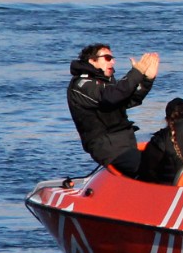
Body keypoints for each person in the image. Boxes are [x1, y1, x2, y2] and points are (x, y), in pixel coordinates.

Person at [67, 43, 160, 177]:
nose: (113, 61)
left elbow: (129, 99)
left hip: (125, 143)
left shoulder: (106, 82)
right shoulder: (82, 85)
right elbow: (112, 97)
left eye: (112, 58)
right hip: (108, 148)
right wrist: (137, 72)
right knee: (150, 166)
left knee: (163, 155)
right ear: (92, 61)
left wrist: (147, 80)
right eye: (107, 58)